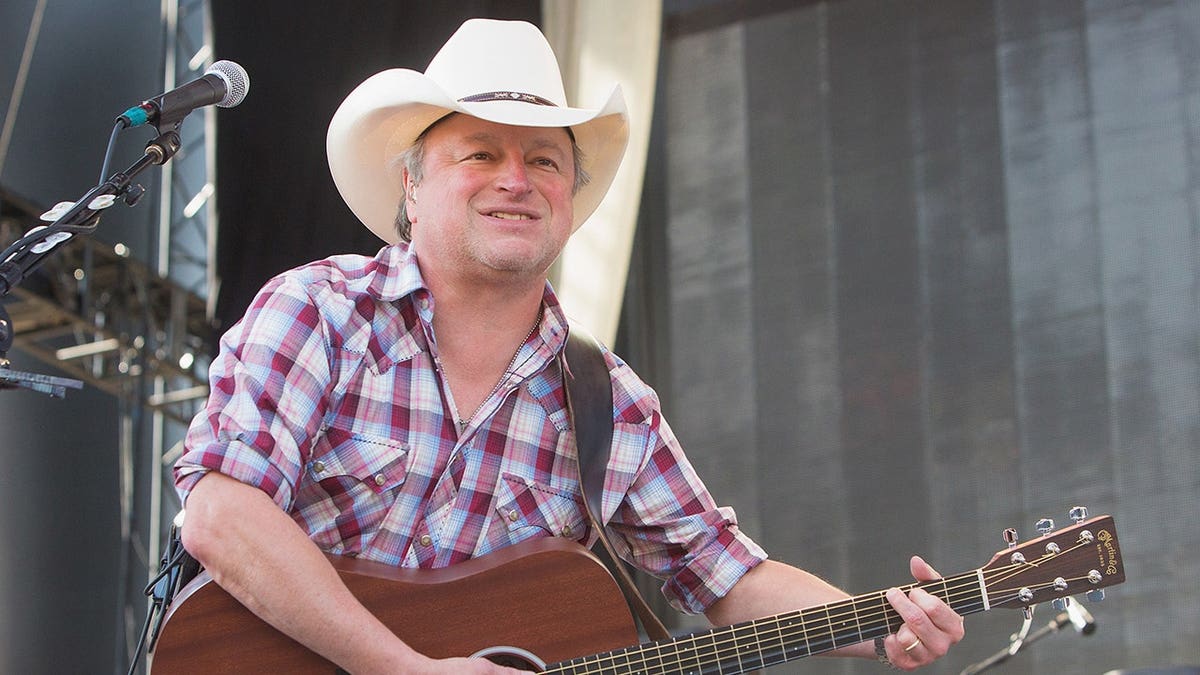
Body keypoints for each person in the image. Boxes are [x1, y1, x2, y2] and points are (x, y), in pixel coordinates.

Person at [175, 18, 964, 674]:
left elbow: (725, 572)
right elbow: (220, 511)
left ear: (568, 200)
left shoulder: (606, 401)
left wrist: (881, 620)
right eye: (481, 152)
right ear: (412, 187)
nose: (516, 177)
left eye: (544, 159)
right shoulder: (319, 311)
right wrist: (407, 670)